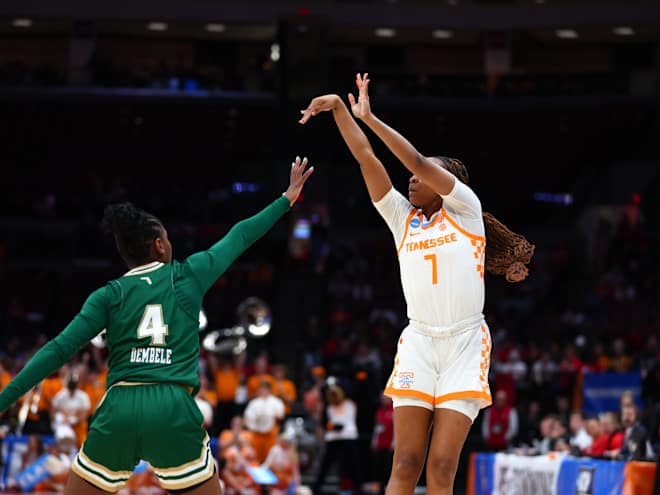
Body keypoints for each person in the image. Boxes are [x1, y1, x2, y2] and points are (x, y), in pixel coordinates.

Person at [0, 156, 314, 495]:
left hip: (120, 405)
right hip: (172, 408)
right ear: (160, 244)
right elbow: (239, 236)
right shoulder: (187, 274)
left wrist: (3, 401)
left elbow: (58, 350)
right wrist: (285, 200)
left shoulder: (108, 294)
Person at [299, 73, 534, 495]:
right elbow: (366, 158)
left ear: (448, 186)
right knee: (405, 461)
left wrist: (370, 117)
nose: (411, 179)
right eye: (411, 177)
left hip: (464, 343)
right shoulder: (401, 219)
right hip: (419, 343)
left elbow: (418, 162)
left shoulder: (465, 210)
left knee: (442, 467)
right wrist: (338, 107)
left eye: (422, 177)